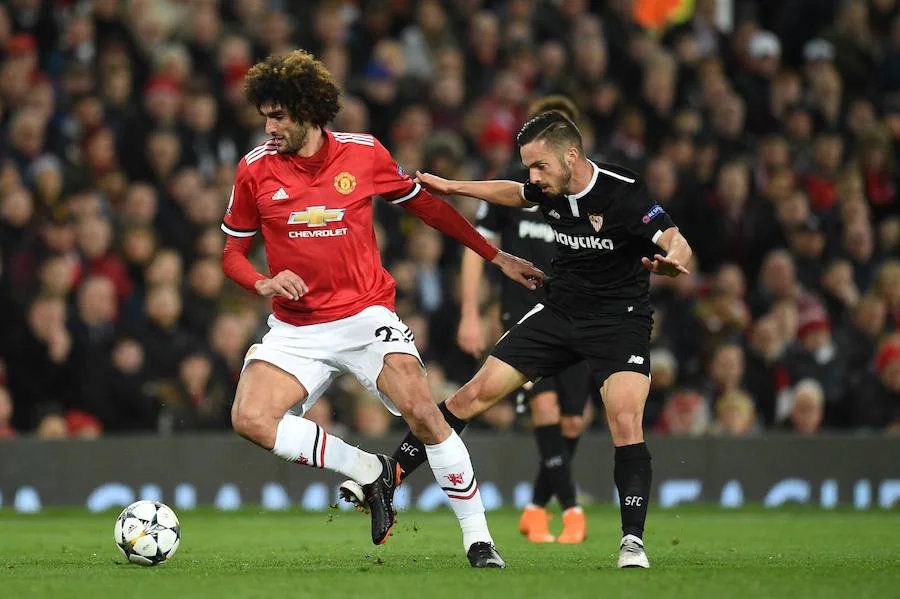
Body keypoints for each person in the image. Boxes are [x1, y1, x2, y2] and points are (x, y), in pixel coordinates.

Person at [221, 50, 542, 567]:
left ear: (308, 111)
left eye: (278, 114)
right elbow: (232, 252)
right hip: (296, 327)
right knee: (250, 418)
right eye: (265, 114)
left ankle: (479, 541)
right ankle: (369, 471)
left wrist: (495, 255)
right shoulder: (254, 170)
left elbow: (428, 207)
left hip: (365, 316)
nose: (268, 125)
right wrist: (262, 281)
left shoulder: (363, 154)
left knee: (422, 411)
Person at [344, 111, 692, 568]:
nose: (533, 178)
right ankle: (390, 476)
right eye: (528, 167)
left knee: (625, 422)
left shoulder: (622, 192)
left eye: (539, 166)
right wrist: (454, 188)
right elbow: (515, 193)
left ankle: (632, 542)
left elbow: (675, 237)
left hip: (618, 320)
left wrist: (672, 261)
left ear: (571, 156)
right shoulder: (546, 185)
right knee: (470, 396)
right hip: (559, 310)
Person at [457, 95, 592, 545]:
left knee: (573, 421)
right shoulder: (515, 189)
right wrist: (471, 314)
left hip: (576, 310)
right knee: (546, 409)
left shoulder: (586, 196)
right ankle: (572, 511)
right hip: (525, 311)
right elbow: (479, 249)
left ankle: (536, 509)